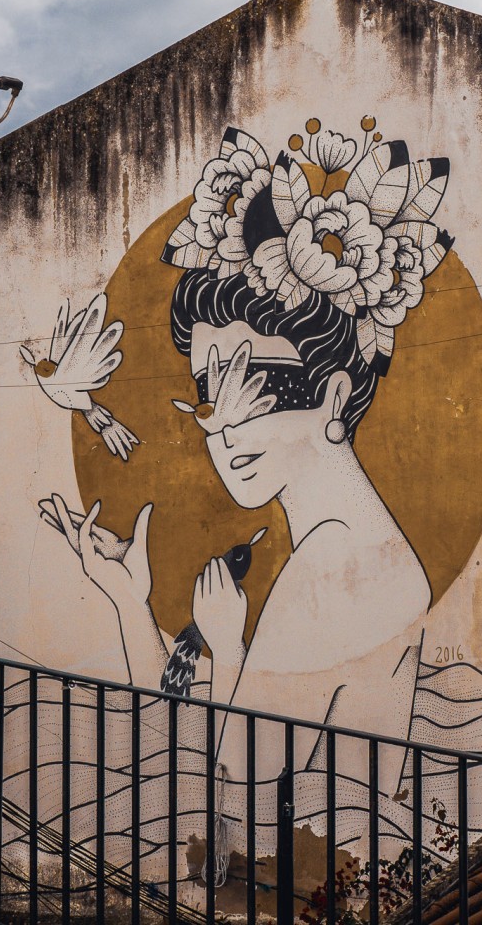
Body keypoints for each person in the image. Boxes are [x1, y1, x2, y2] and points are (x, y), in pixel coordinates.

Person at [47, 123, 454, 782]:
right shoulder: (355, 546)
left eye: (257, 386)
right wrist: (129, 601)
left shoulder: (334, 568)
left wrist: (229, 650)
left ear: (333, 397)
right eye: (207, 394)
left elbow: (234, 787)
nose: (223, 428)